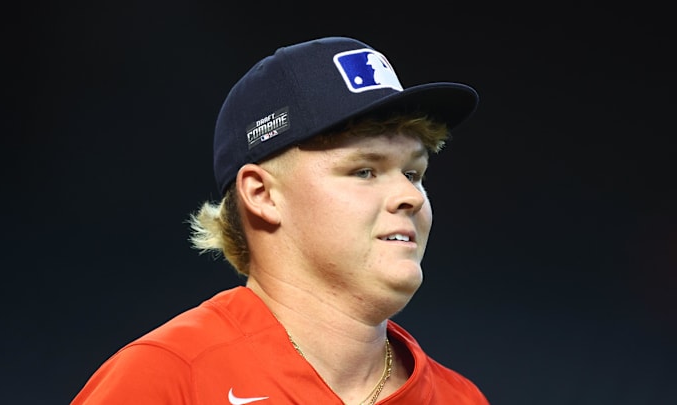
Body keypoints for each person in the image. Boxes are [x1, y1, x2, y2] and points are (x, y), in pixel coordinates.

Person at [71, 36, 489, 404]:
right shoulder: (168, 379)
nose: (409, 197)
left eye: (414, 174)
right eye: (364, 171)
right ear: (262, 194)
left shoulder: (460, 398)